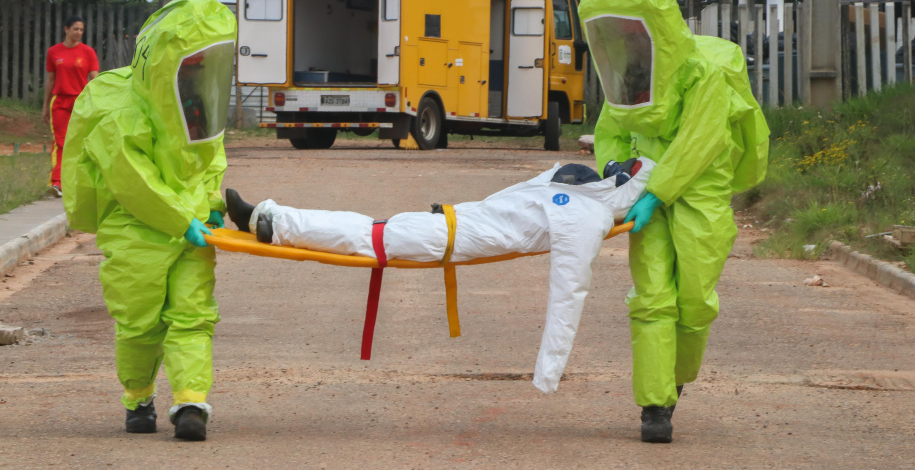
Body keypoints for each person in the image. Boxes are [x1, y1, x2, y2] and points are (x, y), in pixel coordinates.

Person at [223, 158, 654, 395]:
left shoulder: (586, 214)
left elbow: (568, 294)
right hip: (451, 222)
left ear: (625, 187)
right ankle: (271, 218)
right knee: (366, 229)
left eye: (626, 168)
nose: (616, 162)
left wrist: (548, 373)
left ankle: (268, 220)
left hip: (448, 236)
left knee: (364, 234)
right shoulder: (577, 188)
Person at [579, 0, 770, 443]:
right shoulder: (630, 72)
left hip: (699, 192)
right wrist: (616, 174)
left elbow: (699, 143)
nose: (624, 39)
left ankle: (676, 378)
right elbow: (611, 130)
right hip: (645, 191)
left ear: (656, 26)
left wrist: (656, 193)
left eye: (631, 28)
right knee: (652, 298)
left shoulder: (703, 75)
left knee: (694, 301)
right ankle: (655, 404)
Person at [61, 0, 237, 441]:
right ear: (164, 64)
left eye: (206, 62)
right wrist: (182, 221)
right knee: (139, 323)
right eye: (192, 62)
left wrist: (212, 202)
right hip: (136, 230)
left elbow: (211, 155)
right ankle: (138, 398)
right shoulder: (118, 114)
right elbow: (133, 182)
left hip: (193, 228)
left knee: (193, 315)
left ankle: (191, 401)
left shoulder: (197, 100)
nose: (200, 70)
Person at [43, 15, 100, 197]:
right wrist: (45, 106)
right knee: (60, 142)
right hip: (59, 102)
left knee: (80, 142)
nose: (79, 33)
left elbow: (95, 80)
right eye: (75, 29)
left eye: (81, 30)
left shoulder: (88, 52)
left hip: (81, 102)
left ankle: (78, 182)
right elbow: (50, 80)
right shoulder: (54, 52)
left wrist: (99, 102)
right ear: (66, 29)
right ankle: (57, 183)